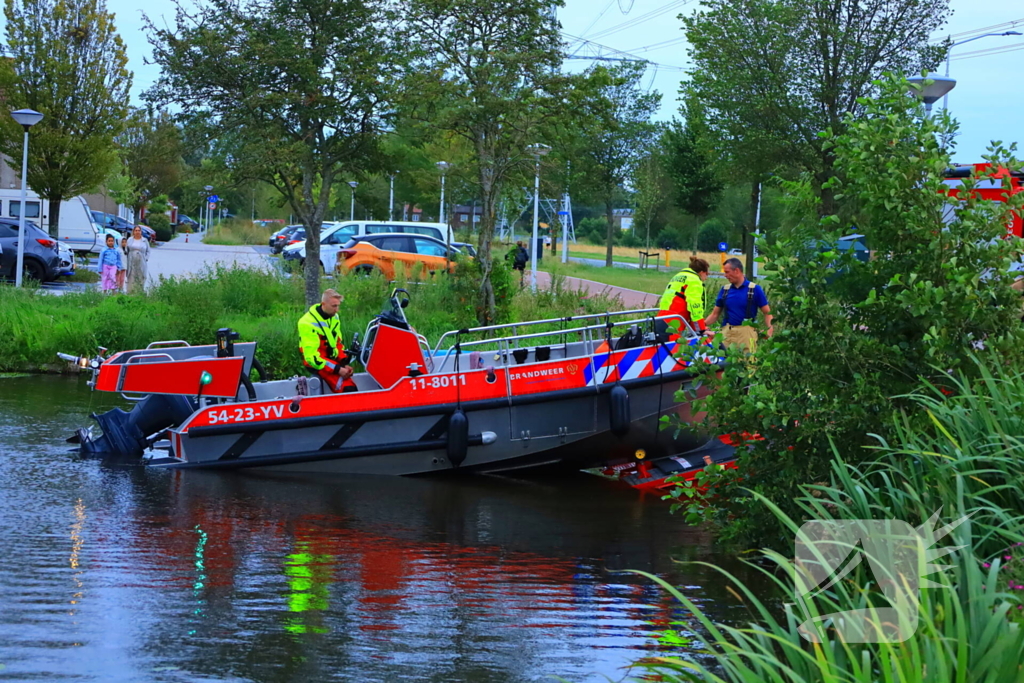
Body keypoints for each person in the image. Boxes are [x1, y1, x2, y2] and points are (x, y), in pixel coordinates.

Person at [705, 258, 773, 352]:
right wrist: (701, 326)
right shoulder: (725, 290)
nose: (725, 275)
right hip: (727, 333)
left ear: (736, 270)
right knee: (723, 362)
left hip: (746, 333)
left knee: (747, 363)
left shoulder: (754, 289)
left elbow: (767, 312)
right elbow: (715, 314)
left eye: (727, 272)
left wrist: (769, 330)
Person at [298, 289, 357, 393]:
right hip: (317, 363)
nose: (337, 310)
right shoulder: (306, 323)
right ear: (323, 304)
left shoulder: (334, 317)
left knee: (350, 387)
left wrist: (343, 362)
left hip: (330, 361)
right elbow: (312, 358)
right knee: (348, 389)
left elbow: (337, 343)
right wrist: (338, 369)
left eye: (338, 306)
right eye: (334, 306)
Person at [657, 256, 710, 340]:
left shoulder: (678, 276)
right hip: (674, 324)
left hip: (660, 319)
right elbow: (695, 307)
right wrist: (701, 330)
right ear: (701, 272)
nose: (706, 277)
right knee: (675, 351)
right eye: (707, 274)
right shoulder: (694, 281)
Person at [125, 226, 150, 294]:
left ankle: (139, 291)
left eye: (139, 230)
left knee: (140, 274)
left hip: (141, 260)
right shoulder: (130, 239)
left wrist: (146, 258)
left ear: (141, 232)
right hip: (131, 259)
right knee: (131, 275)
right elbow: (126, 249)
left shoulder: (145, 240)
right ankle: (130, 291)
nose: (137, 232)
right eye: (136, 230)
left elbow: (148, 251)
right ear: (133, 231)